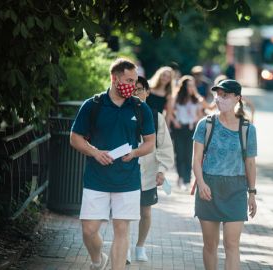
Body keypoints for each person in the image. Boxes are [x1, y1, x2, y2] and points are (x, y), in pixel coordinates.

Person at [70, 58, 156, 270]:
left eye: (135, 80)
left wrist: (135, 153)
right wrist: (95, 152)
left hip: (127, 179)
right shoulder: (93, 105)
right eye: (129, 79)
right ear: (114, 78)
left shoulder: (140, 108)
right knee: (89, 230)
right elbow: (75, 137)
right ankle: (98, 260)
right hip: (96, 177)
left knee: (121, 230)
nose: (133, 85)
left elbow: (150, 143)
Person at [192, 79, 258, 270]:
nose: (220, 99)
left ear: (238, 98)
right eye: (218, 95)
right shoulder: (205, 124)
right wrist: (201, 183)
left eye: (226, 95)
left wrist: (252, 193)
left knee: (231, 244)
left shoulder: (247, 129)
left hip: (236, 189)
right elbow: (196, 160)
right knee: (210, 245)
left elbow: (250, 163)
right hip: (208, 188)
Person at [127, 76, 175, 263]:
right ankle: (125, 248)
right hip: (125, 171)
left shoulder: (156, 116)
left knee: (145, 212)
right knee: (125, 212)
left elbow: (164, 146)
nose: (135, 93)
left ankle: (140, 246)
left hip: (148, 172)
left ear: (147, 92)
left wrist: (162, 170)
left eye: (139, 89)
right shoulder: (122, 114)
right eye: (132, 90)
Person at [171, 75, 204, 190]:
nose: (191, 88)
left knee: (189, 154)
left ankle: (187, 180)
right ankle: (180, 177)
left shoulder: (196, 99)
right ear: (184, 87)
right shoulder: (177, 98)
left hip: (191, 129)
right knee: (179, 153)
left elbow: (200, 115)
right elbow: (170, 111)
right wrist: (175, 121)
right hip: (179, 128)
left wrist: (196, 120)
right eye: (189, 86)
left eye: (192, 85)